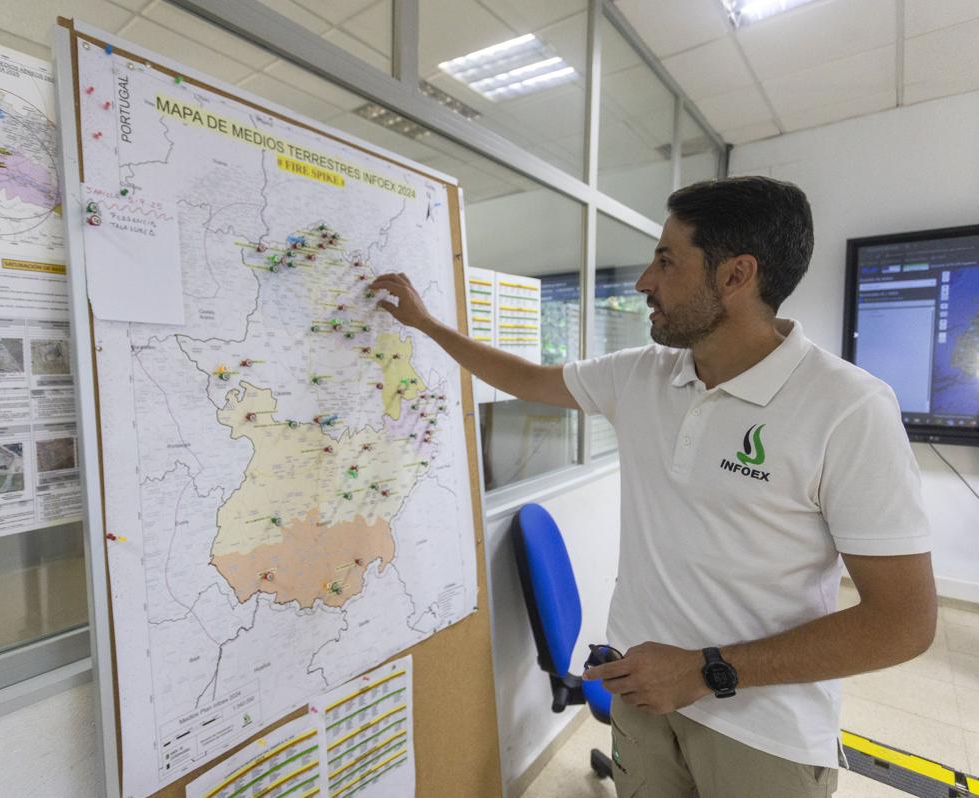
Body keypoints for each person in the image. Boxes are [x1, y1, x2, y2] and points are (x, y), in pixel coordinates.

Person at [371, 176, 936, 798]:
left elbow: (903, 623)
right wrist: (426, 326)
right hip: (641, 692)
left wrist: (707, 670)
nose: (644, 281)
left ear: (735, 276)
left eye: (666, 260)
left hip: (761, 730)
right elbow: (528, 380)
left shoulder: (848, 407)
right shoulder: (643, 375)